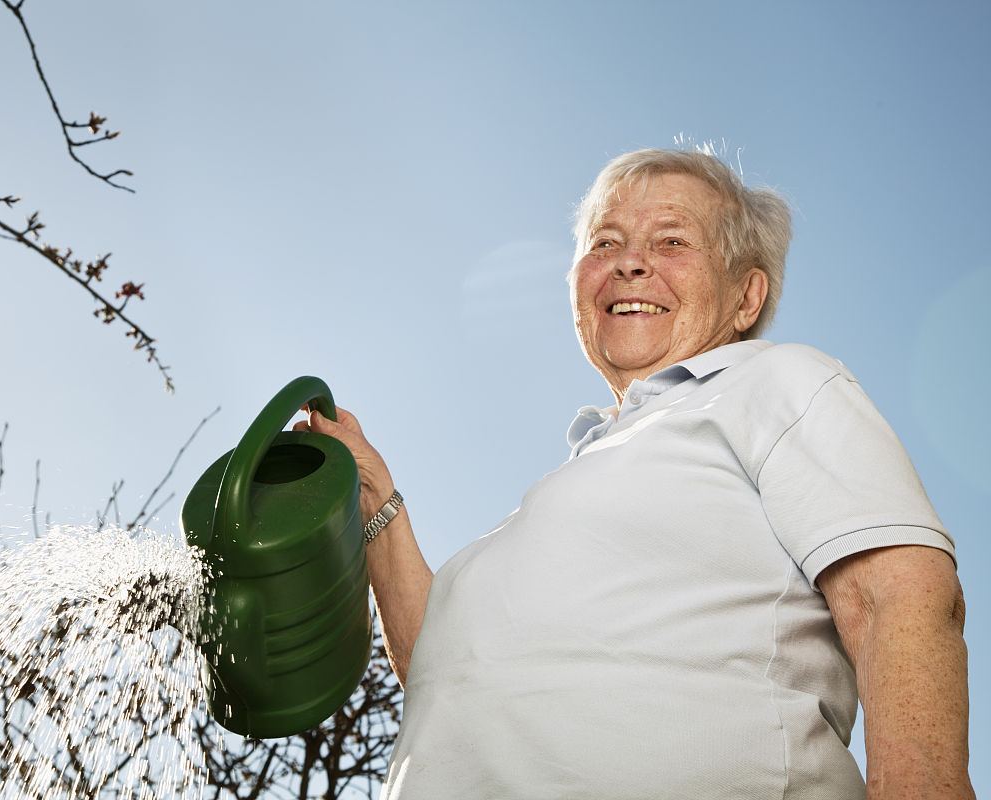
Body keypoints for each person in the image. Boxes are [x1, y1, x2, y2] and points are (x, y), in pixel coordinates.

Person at [298, 149, 973, 799]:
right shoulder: (570, 485)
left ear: (746, 295)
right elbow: (440, 675)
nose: (629, 265)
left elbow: (898, 595)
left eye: (673, 242)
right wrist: (377, 505)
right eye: (604, 243)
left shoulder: (777, 380)